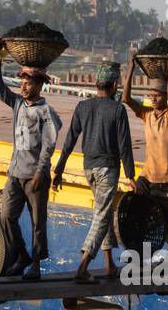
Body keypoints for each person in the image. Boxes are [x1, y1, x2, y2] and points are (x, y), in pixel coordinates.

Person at [53, 62, 135, 283]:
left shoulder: (82, 107)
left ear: (96, 83)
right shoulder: (118, 110)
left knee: (103, 213)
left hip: (88, 168)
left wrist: (59, 169)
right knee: (101, 216)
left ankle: (109, 266)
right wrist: (131, 175)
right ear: (115, 84)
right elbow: (124, 145)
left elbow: (70, 139)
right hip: (108, 169)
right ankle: (83, 267)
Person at [0, 41, 61, 280]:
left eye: (28, 82)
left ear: (39, 85)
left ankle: (36, 267)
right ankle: (21, 254)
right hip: (15, 173)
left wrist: (41, 173)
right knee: (7, 216)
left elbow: (48, 146)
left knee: (37, 223)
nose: (23, 85)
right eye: (21, 81)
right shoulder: (18, 104)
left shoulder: (46, 112)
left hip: (35, 176)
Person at [123, 52, 168, 253]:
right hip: (147, 177)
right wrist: (131, 67)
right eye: (151, 96)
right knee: (138, 213)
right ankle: (139, 252)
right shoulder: (146, 114)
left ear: (165, 96)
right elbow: (125, 98)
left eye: (157, 96)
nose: (153, 99)